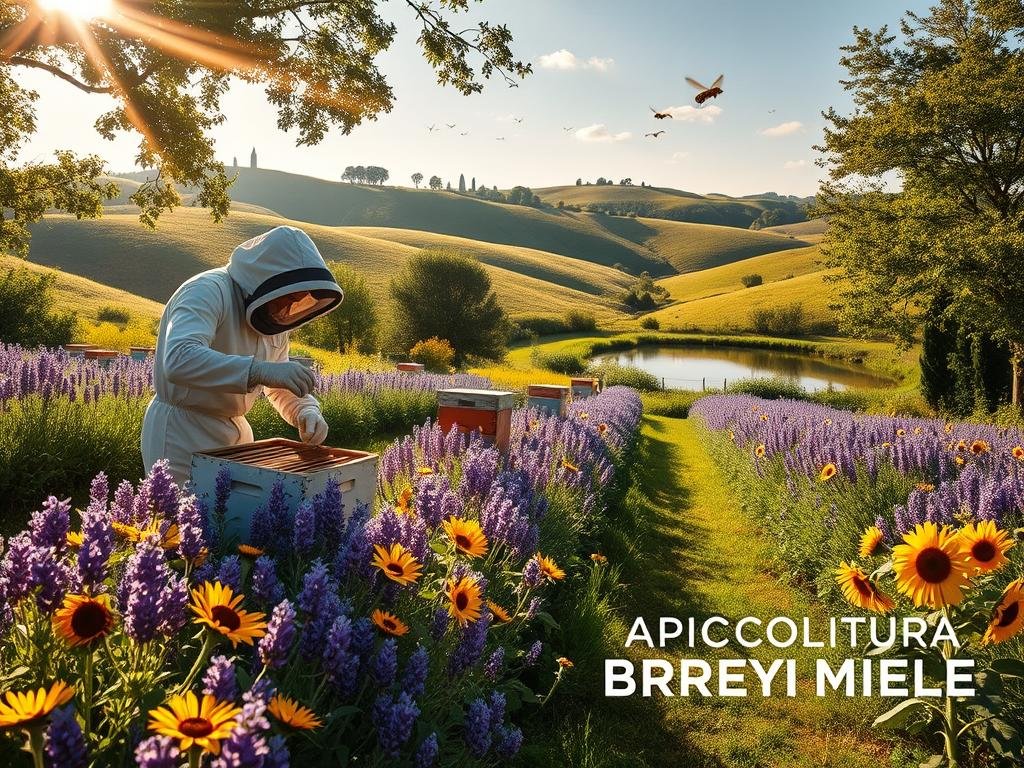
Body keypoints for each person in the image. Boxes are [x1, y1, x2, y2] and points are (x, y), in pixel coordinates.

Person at [141, 226, 344, 484]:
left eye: (298, 299)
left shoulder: (271, 318)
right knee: (178, 520)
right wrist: (258, 370)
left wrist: (306, 410)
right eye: (289, 296)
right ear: (267, 277)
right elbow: (180, 358)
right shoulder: (206, 290)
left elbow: (277, 382)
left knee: (233, 520)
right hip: (181, 433)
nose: (290, 307)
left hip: (235, 434)